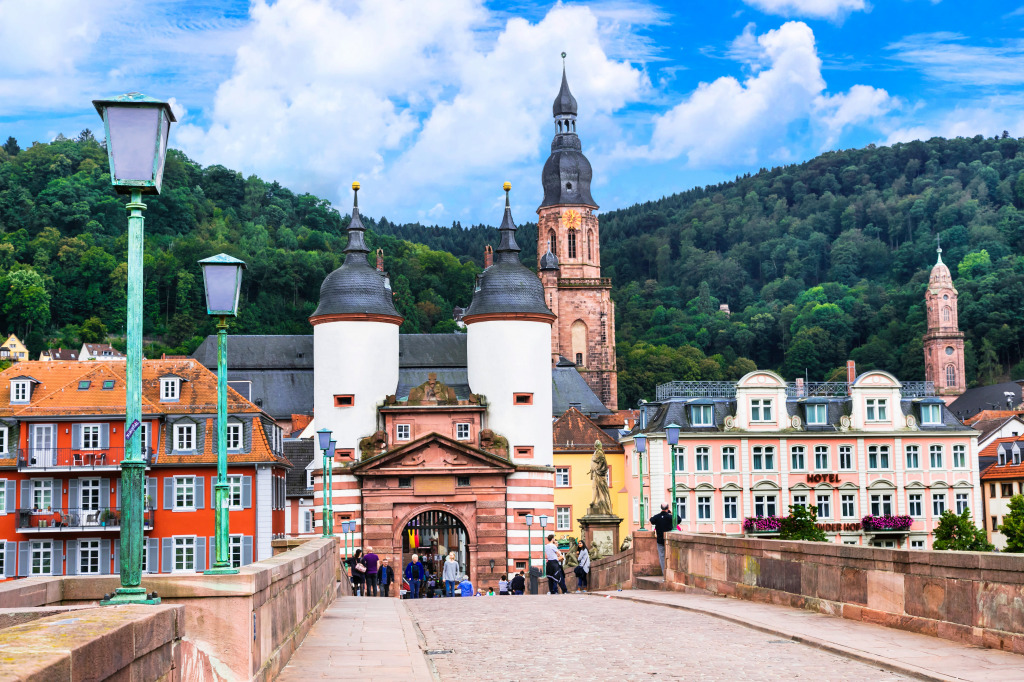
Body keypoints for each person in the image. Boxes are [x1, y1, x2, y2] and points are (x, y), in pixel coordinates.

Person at [650, 503, 674, 574]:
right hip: (669, 540)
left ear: (661, 508)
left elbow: (651, 520)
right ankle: (671, 573)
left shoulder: (657, 517)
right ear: (668, 508)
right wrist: (671, 513)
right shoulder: (670, 517)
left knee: (662, 557)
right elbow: (679, 519)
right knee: (671, 557)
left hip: (660, 540)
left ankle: (665, 574)